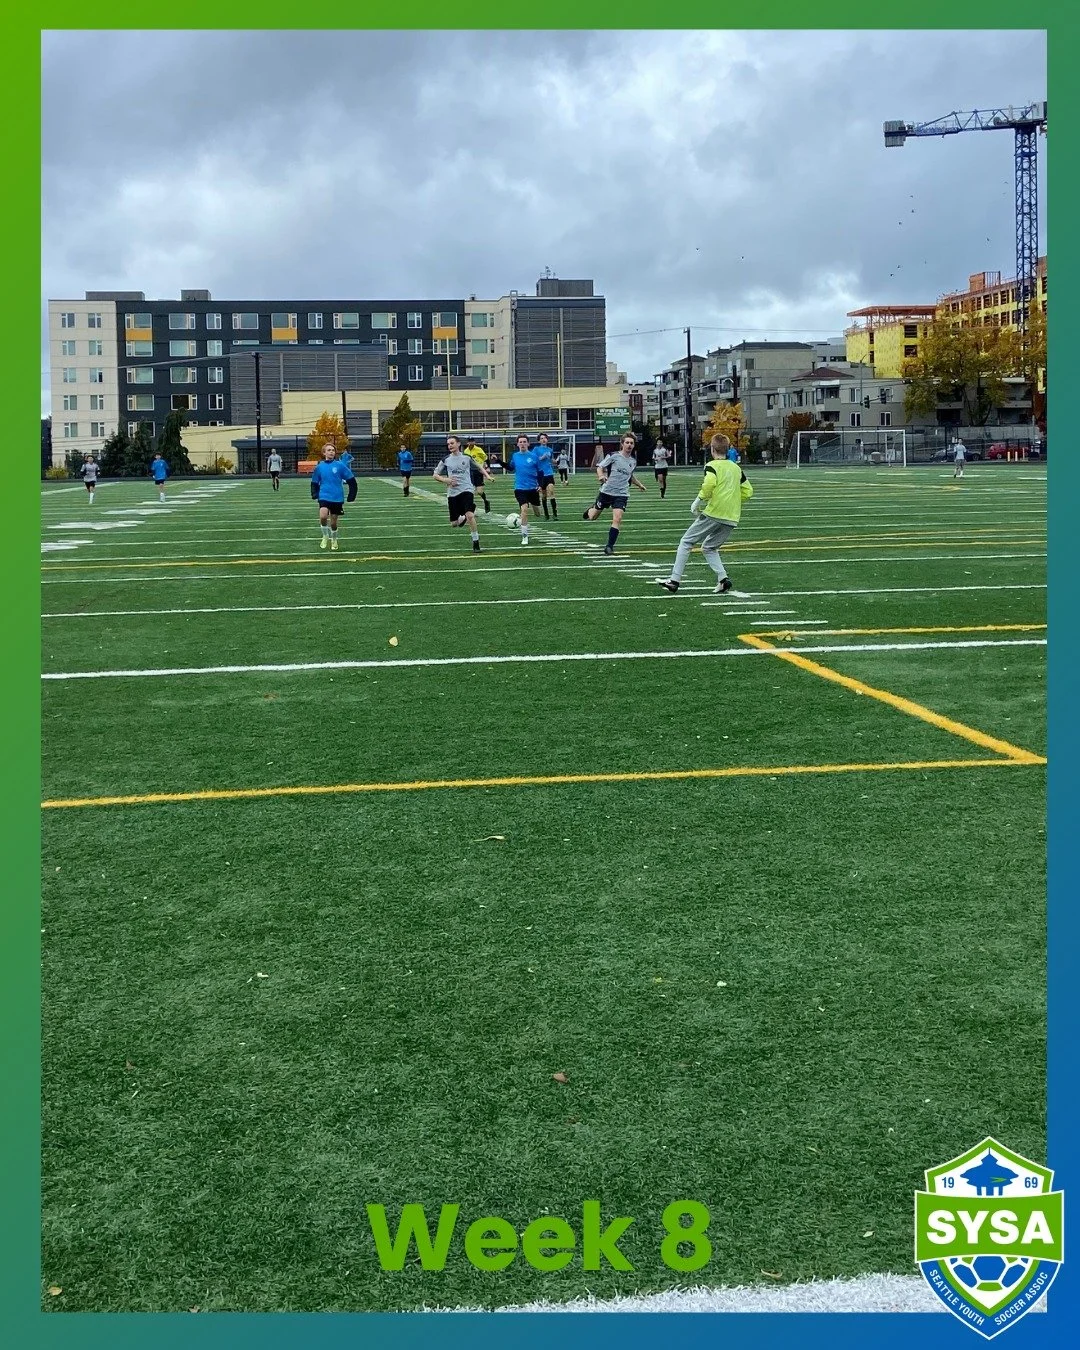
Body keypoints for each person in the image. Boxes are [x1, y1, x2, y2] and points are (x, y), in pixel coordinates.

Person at [656, 433, 753, 594]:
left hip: (715, 512)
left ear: (712, 449)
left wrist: (698, 500)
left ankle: (674, 580)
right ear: (728, 449)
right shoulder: (736, 468)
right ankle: (723, 580)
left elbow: (709, 484)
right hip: (732, 516)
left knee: (686, 542)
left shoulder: (712, 465)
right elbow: (748, 491)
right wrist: (731, 501)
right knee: (709, 547)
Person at [583, 432, 646, 554]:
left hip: (621, 494)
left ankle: (609, 546)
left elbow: (630, 476)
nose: (629, 445)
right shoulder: (613, 456)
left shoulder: (633, 461)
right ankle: (591, 509)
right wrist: (601, 476)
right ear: (622, 444)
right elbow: (599, 467)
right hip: (607, 491)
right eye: (627, 442)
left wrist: (639, 485)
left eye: (631, 443)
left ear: (634, 445)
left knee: (617, 518)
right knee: (593, 517)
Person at [434, 436, 492, 554]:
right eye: (448, 444)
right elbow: (435, 475)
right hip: (452, 493)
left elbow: (479, 466)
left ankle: (476, 543)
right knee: (454, 524)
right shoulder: (446, 459)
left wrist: (488, 475)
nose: (450, 445)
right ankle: (465, 516)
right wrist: (446, 480)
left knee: (470, 516)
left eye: (452, 443)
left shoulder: (466, 457)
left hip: (467, 490)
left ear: (458, 444)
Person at [309, 442, 357, 550]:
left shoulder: (340, 466)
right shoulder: (319, 467)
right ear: (324, 452)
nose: (331, 452)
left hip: (337, 497)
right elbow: (314, 482)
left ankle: (334, 539)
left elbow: (351, 481)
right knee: (323, 516)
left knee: (334, 523)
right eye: (329, 450)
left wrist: (351, 495)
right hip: (324, 495)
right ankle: (325, 535)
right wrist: (314, 493)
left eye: (333, 450)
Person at [508, 433, 542, 546]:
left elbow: (540, 472)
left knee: (538, 513)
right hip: (520, 488)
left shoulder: (534, 457)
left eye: (524, 442)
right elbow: (510, 468)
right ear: (517, 444)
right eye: (520, 442)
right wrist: (498, 461)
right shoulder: (515, 456)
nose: (522, 444)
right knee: (524, 510)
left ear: (528, 443)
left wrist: (540, 485)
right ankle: (524, 536)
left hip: (533, 488)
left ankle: (533, 504)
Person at [464, 438, 492, 513]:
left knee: (479, 492)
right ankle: (471, 507)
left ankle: (486, 501)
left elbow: (486, 458)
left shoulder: (478, 449)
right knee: (470, 491)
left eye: (472, 441)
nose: (471, 443)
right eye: (469, 441)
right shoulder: (465, 451)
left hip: (478, 471)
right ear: (467, 443)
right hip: (470, 472)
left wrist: (488, 467)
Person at [535, 432, 558, 520]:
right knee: (544, 495)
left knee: (551, 491)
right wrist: (542, 457)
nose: (543, 439)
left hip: (549, 473)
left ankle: (555, 514)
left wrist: (555, 461)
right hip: (541, 474)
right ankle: (546, 514)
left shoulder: (550, 449)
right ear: (539, 440)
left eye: (545, 438)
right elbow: (536, 460)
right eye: (541, 438)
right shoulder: (536, 449)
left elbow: (551, 459)